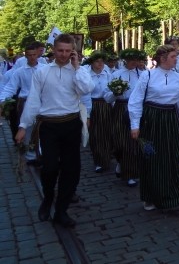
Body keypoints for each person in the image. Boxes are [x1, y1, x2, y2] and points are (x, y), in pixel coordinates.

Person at [15, 34, 93, 227]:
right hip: (49, 125)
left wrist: (77, 67)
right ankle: (48, 197)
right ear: (54, 49)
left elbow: (87, 89)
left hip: (71, 123)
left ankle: (61, 210)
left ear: (73, 51)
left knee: (71, 169)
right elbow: (33, 100)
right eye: (60, 50)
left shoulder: (77, 71)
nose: (64, 54)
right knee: (49, 168)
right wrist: (23, 126)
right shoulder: (42, 72)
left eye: (68, 51)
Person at [128, 44, 179, 210]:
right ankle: (151, 197)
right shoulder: (148, 76)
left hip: (171, 119)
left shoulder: (178, 77)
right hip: (152, 119)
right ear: (162, 59)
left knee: (175, 157)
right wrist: (135, 125)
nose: (176, 59)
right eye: (173, 56)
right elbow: (135, 100)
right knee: (153, 157)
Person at [1, 41, 44, 161]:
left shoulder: (44, 69)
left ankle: (41, 153)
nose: (31, 57)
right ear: (26, 56)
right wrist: (3, 99)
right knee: (27, 128)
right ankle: (30, 155)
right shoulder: (20, 71)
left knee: (42, 128)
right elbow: (11, 87)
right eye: (29, 55)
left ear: (37, 55)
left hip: (42, 103)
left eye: (34, 54)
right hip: (25, 102)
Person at [110, 48, 146, 187]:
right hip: (121, 108)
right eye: (131, 59)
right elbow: (108, 97)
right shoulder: (117, 74)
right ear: (125, 60)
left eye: (136, 59)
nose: (134, 62)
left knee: (132, 143)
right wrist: (116, 92)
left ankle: (130, 173)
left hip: (137, 109)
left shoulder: (143, 75)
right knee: (119, 142)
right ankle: (120, 161)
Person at [82, 51, 115, 173]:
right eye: (97, 61)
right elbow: (85, 94)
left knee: (107, 133)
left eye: (102, 61)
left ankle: (107, 158)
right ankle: (99, 161)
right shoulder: (86, 74)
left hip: (106, 105)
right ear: (92, 62)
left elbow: (110, 91)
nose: (100, 64)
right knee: (96, 135)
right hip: (93, 105)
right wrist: (88, 114)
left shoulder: (107, 74)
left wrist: (114, 96)